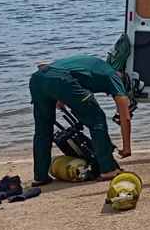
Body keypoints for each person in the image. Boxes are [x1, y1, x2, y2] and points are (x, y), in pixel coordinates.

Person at [29, 54, 133, 186]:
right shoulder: (114, 77)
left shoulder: (94, 65)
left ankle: (40, 176)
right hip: (61, 80)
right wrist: (127, 148)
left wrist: (61, 96)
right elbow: (125, 117)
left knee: (42, 130)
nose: (108, 94)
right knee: (97, 121)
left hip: (37, 80)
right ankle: (108, 170)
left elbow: (42, 66)